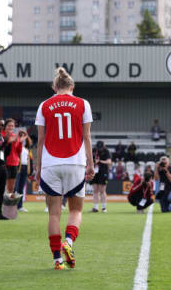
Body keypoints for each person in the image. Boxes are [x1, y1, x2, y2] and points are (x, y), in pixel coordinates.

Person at [34, 67, 95, 270]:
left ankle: (57, 260)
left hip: (51, 163)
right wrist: (91, 163)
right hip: (75, 162)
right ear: (72, 86)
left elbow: (40, 139)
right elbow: (86, 137)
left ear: (54, 86)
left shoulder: (44, 105)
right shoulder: (83, 103)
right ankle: (68, 241)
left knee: (53, 213)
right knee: (76, 210)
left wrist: (37, 166)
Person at [15, 130, 33, 212]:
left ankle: (20, 206)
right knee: (16, 187)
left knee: (21, 188)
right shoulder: (16, 146)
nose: (23, 137)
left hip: (25, 168)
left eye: (24, 136)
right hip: (18, 167)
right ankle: (13, 205)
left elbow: (30, 161)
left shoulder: (27, 149)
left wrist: (30, 172)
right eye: (21, 135)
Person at [91, 140, 111, 213]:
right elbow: (89, 159)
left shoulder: (106, 151)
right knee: (95, 190)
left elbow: (109, 161)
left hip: (103, 172)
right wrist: (93, 161)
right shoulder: (93, 150)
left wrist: (100, 161)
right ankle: (95, 207)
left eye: (101, 147)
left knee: (102, 190)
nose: (100, 149)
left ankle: (104, 207)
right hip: (95, 172)